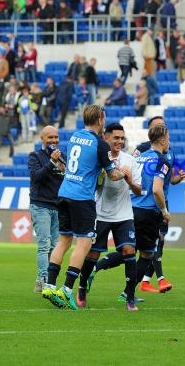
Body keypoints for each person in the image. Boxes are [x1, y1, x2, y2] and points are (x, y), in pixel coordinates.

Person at [41, 105, 128, 310]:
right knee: (84, 244)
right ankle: (67, 290)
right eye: (104, 118)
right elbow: (113, 175)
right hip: (82, 198)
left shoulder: (73, 137)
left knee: (63, 240)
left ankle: (49, 285)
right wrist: (124, 172)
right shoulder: (100, 144)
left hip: (64, 192)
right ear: (99, 120)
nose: (104, 121)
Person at [76, 123, 142, 311]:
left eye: (122, 138)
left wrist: (129, 180)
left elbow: (138, 191)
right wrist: (102, 176)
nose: (120, 141)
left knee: (129, 251)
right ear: (106, 138)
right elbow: (91, 185)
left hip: (124, 215)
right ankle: (82, 287)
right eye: (116, 138)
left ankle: (130, 297)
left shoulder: (130, 160)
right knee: (93, 254)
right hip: (101, 214)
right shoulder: (98, 160)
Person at [133, 116, 185, 293]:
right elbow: (155, 186)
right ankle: (155, 279)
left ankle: (146, 280)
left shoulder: (169, 152)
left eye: (163, 125)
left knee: (157, 242)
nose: (162, 128)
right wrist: (163, 210)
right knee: (144, 247)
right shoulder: (142, 150)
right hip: (150, 206)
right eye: (158, 126)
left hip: (153, 202)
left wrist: (177, 179)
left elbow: (166, 179)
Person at [28, 126, 65, 293]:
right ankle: (44, 280)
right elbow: (36, 177)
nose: (54, 140)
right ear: (42, 139)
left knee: (54, 246)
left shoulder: (61, 157)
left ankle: (43, 279)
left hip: (57, 206)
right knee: (44, 244)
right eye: (50, 137)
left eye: (56, 137)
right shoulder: (34, 156)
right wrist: (51, 162)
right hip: (40, 205)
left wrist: (64, 169)